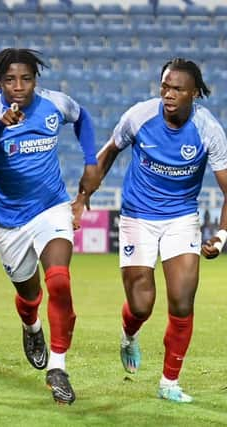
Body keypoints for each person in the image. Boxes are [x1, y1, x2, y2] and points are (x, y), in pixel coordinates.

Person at [0, 48, 100, 405]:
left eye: (25, 79)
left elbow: (82, 116)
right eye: (10, 80)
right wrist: (1, 124)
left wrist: (90, 160)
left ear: (35, 80)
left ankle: (58, 368)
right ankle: (31, 327)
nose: (18, 86)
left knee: (59, 279)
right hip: (10, 220)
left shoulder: (54, 103)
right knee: (29, 296)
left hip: (52, 208)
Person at [95, 58, 227, 403]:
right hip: (138, 216)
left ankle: (169, 382)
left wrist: (222, 236)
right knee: (141, 305)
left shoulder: (208, 130)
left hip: (181, 218)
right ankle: (129, 333)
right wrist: (83, 196)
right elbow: (108, 153)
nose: (168, 94)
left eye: (177, 89)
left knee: (182, 302)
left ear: (194, 93)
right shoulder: (139, 116)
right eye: (164, 87)